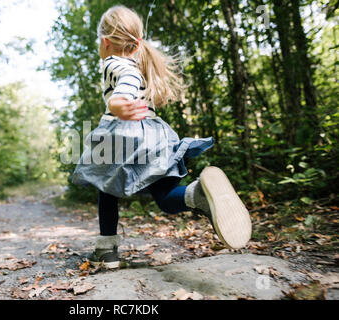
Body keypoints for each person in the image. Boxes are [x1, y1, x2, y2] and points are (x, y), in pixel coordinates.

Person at [71, 5, 251, 269]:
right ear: (134, 45)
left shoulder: (114, 63)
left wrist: (119, 102)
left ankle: (107, 251)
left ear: (105, 42)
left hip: (124, 132)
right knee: (166, 197)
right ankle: (196, 194)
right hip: (156, 135)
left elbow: (126, 81)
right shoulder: (138, 62)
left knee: (105, 187)